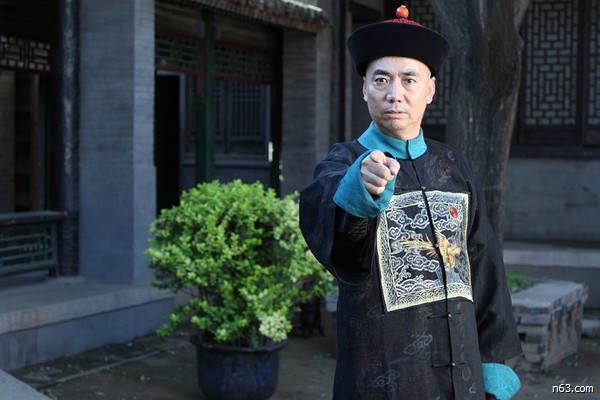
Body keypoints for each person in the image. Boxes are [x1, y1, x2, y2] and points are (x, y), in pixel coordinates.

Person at [299, 5, 522, 400]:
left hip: (464, 379)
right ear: (364, 88)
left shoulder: (453, 165)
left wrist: (494, 371)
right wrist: (361, 189)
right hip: (381, 377)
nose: (394, 94)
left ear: (430, 90)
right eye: (381, 79)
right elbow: (336, 236)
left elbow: (483, 263)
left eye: (408, 79)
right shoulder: (345, 162)